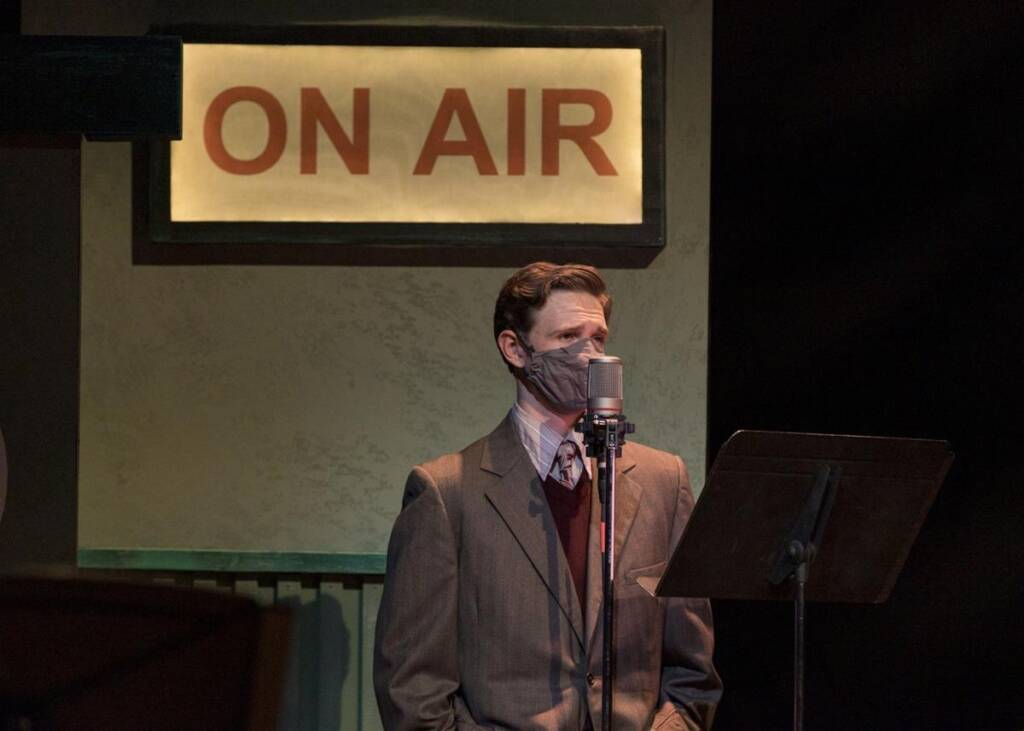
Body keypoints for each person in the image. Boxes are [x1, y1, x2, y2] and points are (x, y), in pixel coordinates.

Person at [374, 262, 721, 730]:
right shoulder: (446, 493)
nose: (589, 354)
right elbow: (413, 688)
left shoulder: (663, 481)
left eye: (597, 338)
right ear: (516, 349)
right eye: (566, 338)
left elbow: (692, 672)